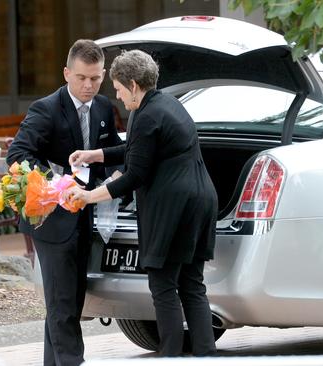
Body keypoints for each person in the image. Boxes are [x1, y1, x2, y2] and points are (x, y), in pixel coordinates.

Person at [65, 49, 218, 357]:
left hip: (174, 206)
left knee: (163, 287)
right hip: (201, 199)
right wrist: (95, 155)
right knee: (191, 284)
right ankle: (206, 356)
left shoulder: (146, 115)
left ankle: (170, 357)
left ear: (133, 85)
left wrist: (88, 197)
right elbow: (135, 149)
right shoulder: (166, 104)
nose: (119, 97)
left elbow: (135, 174)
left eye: (119, 90)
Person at [6, 39, 122, 366]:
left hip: (85, 214)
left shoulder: (102, 108)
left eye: (96, 78)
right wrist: (57, 183)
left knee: (69, 302)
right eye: (82, 78)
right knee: (61, 303)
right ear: (67, 73)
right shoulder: (46, 108)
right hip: (51, 218)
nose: (89, 86)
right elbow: (17, 155)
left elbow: (112, 152)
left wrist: (115, 177)